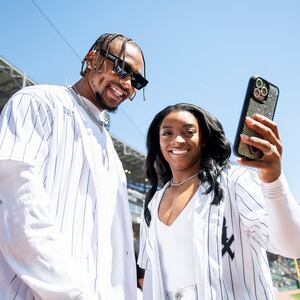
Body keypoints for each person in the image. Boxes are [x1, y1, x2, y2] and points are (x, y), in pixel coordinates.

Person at [0, 33, 148, 300]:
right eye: (121, 68)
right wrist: (73, 294)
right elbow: (19, 204)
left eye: (136, 80)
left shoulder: (110, 154)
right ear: (91, 59)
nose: (126, 83)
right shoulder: (38, 102)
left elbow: (117, 250)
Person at [138, 103, 300, 299]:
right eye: (167, 133)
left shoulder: (233, 180)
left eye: (188, 132)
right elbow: (151, 280)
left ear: (204, 139)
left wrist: (274, 181)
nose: (177, 140)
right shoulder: (153, 203)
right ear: (158, 140)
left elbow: (293, 245)